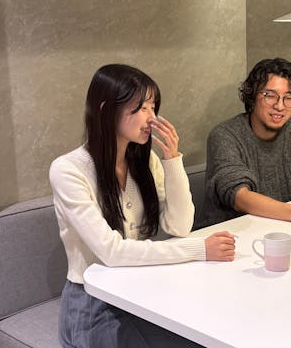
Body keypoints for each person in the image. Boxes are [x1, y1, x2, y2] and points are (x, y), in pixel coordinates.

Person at [49, 64, 235, 348]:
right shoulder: (68, 170)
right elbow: (111, 252)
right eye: (142, 108)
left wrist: (172, 159)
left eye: (153, 107)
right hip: (93, 303)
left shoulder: (145, 162)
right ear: (106, 110)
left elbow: (179, 225)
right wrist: (200, 250)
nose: (152, 118)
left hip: (141, 290)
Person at [198, 57, 291, 229]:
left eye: (288, 98)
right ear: (252, 96)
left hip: (286, 230)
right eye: (270, 96)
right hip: (232, 235)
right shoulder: (225, 135)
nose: (279, 106)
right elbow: (240, 197)